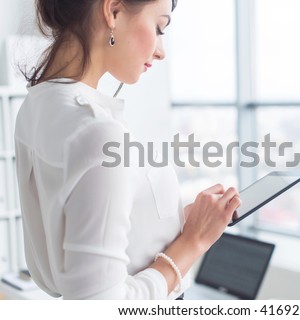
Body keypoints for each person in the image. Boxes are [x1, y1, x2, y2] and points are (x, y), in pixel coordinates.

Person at [14, 0, 241, 299]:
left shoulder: (38, 105)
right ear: (114, 11)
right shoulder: (98, 133)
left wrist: (176, 221)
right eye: (159, 27)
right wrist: (193, 242)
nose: (161, 51)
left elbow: (78, 226)